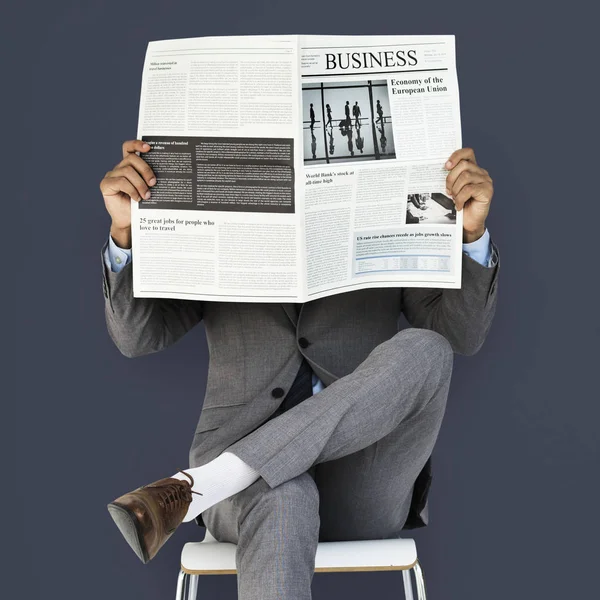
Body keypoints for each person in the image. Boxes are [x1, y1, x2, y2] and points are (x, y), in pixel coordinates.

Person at [100, 141, 498, 599]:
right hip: (249, 496)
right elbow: (137, 336)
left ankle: (209, 482)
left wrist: (471, 234)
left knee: (428, 349)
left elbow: (462, 336)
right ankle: (232, 478)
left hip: (363, 480)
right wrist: (124, 232)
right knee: (284, 496)